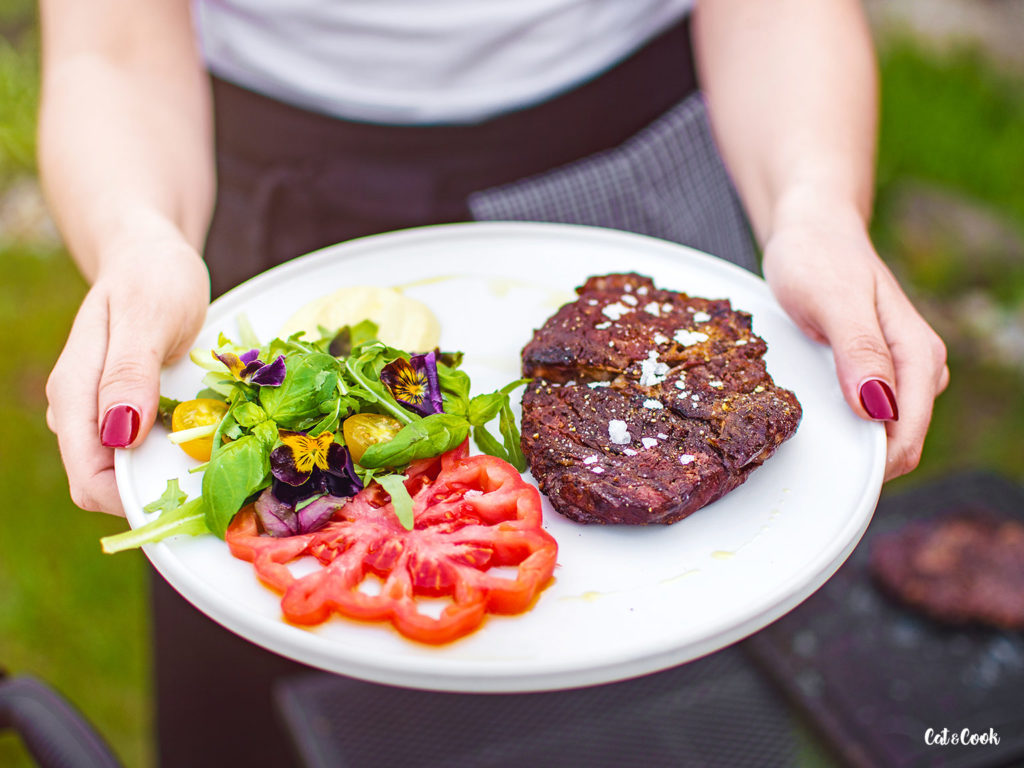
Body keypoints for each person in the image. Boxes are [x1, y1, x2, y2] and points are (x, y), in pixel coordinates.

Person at [38, 0, 949, 765]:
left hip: (635, 187)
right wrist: (138, 240)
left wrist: (817, 205)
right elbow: (110, 51)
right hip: (259, 222)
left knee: (651, 716)